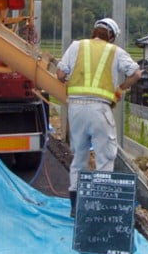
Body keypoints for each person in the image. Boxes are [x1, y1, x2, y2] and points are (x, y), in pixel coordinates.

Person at [56, 18, 141, 218]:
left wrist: (73, 81)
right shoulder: (115, 52)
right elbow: (136, 73)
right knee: (105, 158)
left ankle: (76, 208)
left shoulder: (77, 46)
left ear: (94, 31)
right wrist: (120, 88)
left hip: (75, 109)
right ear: (111, 36)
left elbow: (60, 74)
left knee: (79, 157)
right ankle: (98, 207)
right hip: (100, 109)